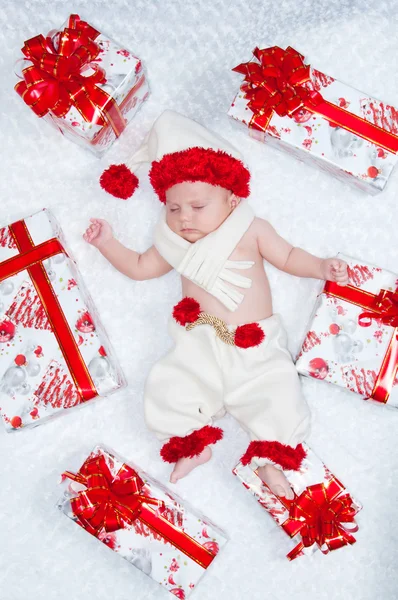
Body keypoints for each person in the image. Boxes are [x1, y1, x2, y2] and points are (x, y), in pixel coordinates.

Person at [84, 110, 348, 498]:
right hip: (199, 341)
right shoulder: (172, 243)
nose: (184, 218)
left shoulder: (251, 229)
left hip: (253, 342)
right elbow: (140, 268)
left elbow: (289, 257)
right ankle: (193, 444)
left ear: (231, 197)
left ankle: (271, 458)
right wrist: (107, 242)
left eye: (197, 206)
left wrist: (321, 267)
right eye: (173, 209)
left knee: (275, 392)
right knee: (171, 384)